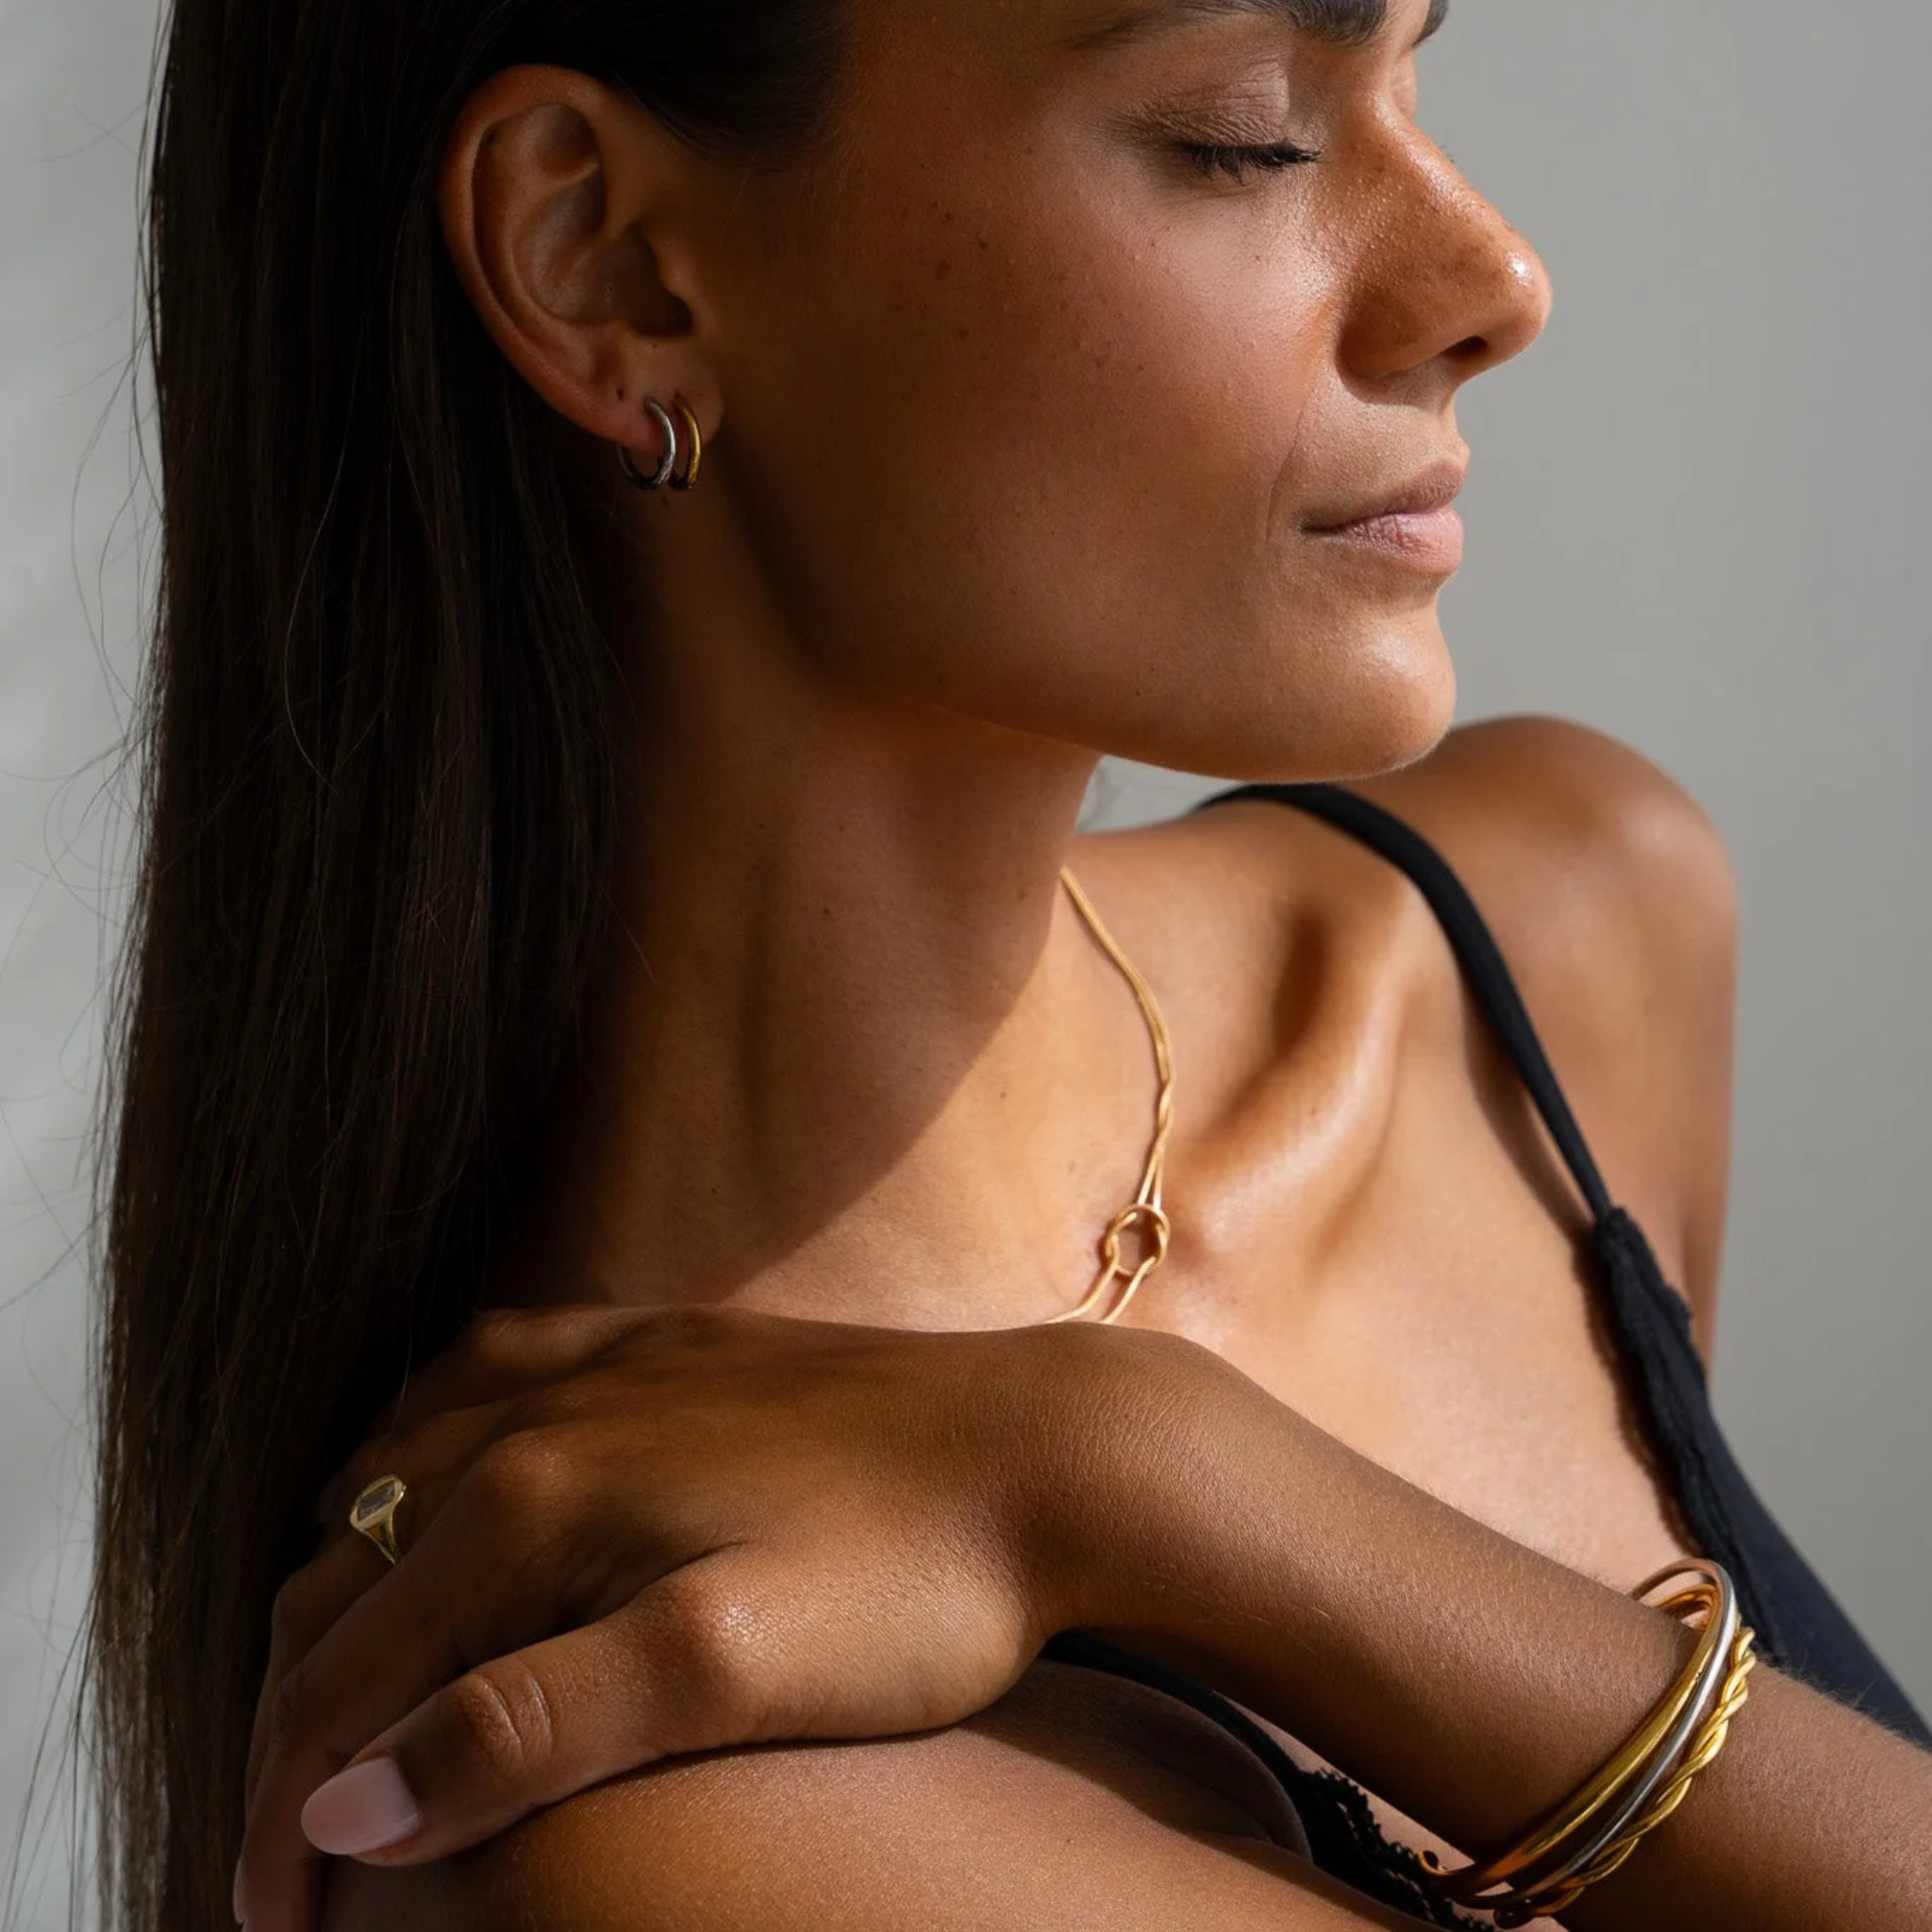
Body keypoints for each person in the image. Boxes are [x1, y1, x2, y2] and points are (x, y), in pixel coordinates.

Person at [89, 0, 1929, 1928]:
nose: (1495, 281)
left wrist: (1147, 1482)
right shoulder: (691, 1848)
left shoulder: (1554, 942)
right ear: (602, 260)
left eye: (1411, 66)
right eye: (1244, 135)